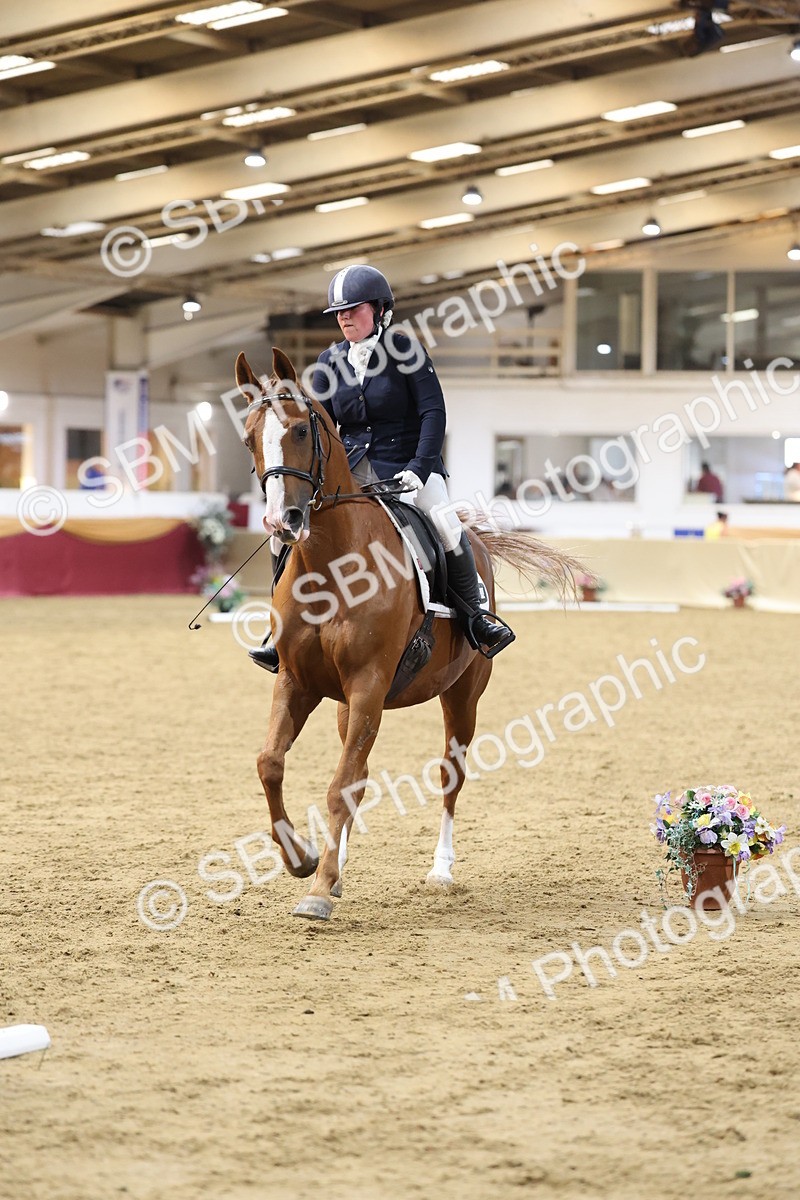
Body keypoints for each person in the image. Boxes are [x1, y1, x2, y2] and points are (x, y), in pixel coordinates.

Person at [250, 264, 514, 671]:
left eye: (353, 308)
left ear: (378, 310)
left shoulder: (405, 350)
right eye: (339, 311)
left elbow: (433, 414)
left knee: (445, 523)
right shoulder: (329, 359)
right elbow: (324, 424)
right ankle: (282, 627)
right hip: (352, 471)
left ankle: (477, 616)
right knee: (283, 531)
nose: (344, 317)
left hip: (408, 467)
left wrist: (420, 469)